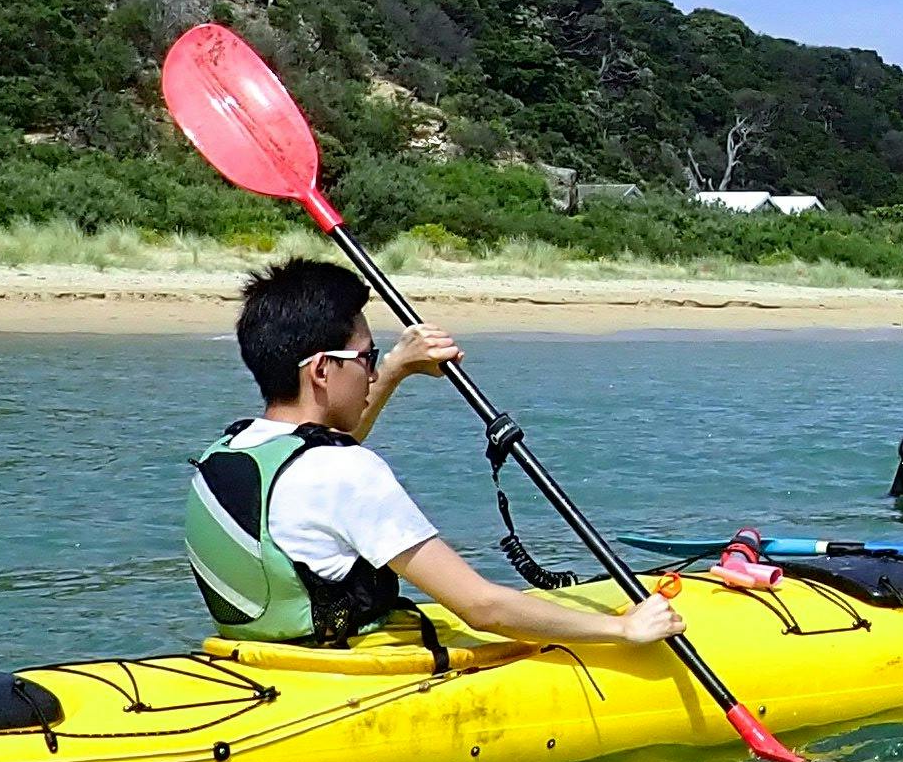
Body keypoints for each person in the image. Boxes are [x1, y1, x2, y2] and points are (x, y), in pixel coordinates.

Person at [185, 257, 687, 652]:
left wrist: (399, 367)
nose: (371, 370)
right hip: (351, 668)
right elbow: (482, 607)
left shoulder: (228, 453)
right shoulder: (345, 472)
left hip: (262, 657)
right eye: (367, 358)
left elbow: (322, 450)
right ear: (320, 371)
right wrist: (623, 630)